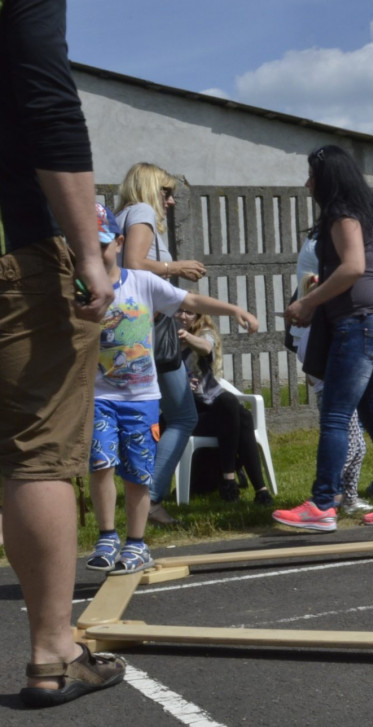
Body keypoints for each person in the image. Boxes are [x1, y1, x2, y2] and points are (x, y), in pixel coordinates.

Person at [1, 0, 123, 707]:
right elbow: (47, 101)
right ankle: (53, 651)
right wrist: (88, 249)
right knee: (34, 453)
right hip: (16, 246)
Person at [86, 205, 259, 575]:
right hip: (99, 396)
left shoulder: (141, 282)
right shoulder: (81, 289)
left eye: (100, 245)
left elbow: (191, 302)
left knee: (138, 473)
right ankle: (106, 536)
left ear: (118, 243)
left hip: (141, 399)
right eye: (85, 246)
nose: (93, 254)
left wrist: (234, 310)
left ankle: (136, 544)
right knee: (100, 463)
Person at [275, 145, 373, 531]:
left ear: (327, 179)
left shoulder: (342, 212)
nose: (307, 184)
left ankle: (323, 504)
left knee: (336, 415)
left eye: (311, 176)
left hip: (358, 324)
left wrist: (307, 303)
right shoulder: (362, 211)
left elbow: (353, 267)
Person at [115, 162, 207, 526]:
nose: (169, 201)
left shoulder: (121, 214)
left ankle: (137, 500)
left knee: (141, 417)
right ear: (150, 188)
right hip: (149, 329)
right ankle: (149, 499)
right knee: (183, 416)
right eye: (166, 192)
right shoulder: (141, 212)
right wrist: (177, 267)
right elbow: (135, 263)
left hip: (132, 328)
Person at [292, 236, 372, 515]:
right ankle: (331, 492)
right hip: (330, 392)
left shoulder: (324, 329)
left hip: (340, 390)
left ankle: (347, 497)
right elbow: (310, 365)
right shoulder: (313, 334)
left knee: (358, 446)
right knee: (351, 447)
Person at [175, 304, 274, 505]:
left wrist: (186, 336)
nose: (183, 316)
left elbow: (206, 347)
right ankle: (250, 486)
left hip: (212, 409)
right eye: (179, 311)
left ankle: (237, 483)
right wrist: (182, 382)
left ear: (198, 316)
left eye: (189, 312)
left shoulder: (204, 334)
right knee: (240, 414)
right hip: (185, 415)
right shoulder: (164, 339)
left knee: (235, 410)